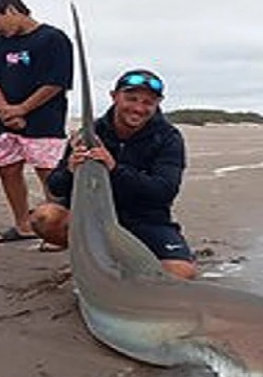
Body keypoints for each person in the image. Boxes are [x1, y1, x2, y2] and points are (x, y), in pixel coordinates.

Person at [30, 69, 197, 280]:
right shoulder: (89, 133)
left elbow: (164, 191)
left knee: (181, 273)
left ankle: (120, 264)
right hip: (94, 219)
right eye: (131, 98)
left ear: (158, 103)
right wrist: (70, 170)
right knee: (45, 217)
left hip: (144, 219)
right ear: (114, 96)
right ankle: (90, 258)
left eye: (147, 102)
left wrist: (115, 169)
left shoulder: (168, 138)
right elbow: (55, 187)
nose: (138, 108)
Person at [0, 0, 72, 243]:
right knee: (8, 169)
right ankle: (23, 225)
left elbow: (56, 82)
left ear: (11, 9)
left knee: (50, 176)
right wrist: (5, 110)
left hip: (44, 120)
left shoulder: (53, 38)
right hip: (6, 121)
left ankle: (58, 230)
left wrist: (23, 109)